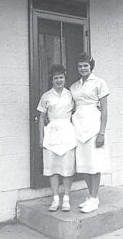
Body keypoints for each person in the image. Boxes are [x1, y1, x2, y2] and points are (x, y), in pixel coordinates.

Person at [70, 52, 110, 213]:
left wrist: (102, 133)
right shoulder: (74, 86)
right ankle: (92, 196)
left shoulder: (99, 83)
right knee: (83, 164)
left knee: (94, 163)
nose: (83, 68)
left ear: (91, 66)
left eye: (85, 65)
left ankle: (94, 198)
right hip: (78, 128)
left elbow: (105, 110)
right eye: (80, 66)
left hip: (93, 126)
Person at [37, 64, 77, 212]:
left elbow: (77, 113)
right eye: (56, 78)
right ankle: (55, 199)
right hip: (51, 133)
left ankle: (66, 199)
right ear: (51, 80)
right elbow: (41, 118)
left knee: (67, 168)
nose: (59, 80)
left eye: (61, 77)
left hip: (67, 131)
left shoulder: (70, 94)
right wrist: (41, 138)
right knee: (52, 168)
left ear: (65, 78)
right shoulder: (46, 96)